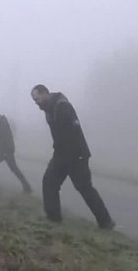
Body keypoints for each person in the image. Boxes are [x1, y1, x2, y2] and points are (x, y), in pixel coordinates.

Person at [30, 84, 115, 229]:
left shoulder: (62, 107)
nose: (36, 103)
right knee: (49, 181)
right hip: (61, 153)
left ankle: (106, 222)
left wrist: (73, 156)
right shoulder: (49, 110)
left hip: (76, 154)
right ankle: (53, 218)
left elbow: (73, 133)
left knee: (84, 188)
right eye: (34, 100)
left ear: (45, 93)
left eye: (37, 98)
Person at [0, 108, 31, 193]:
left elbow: (7, 138)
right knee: (13, 168)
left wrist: (6, 152)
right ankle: (27, 186)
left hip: (5, 151)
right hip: (2, 151)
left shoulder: (1, 123)